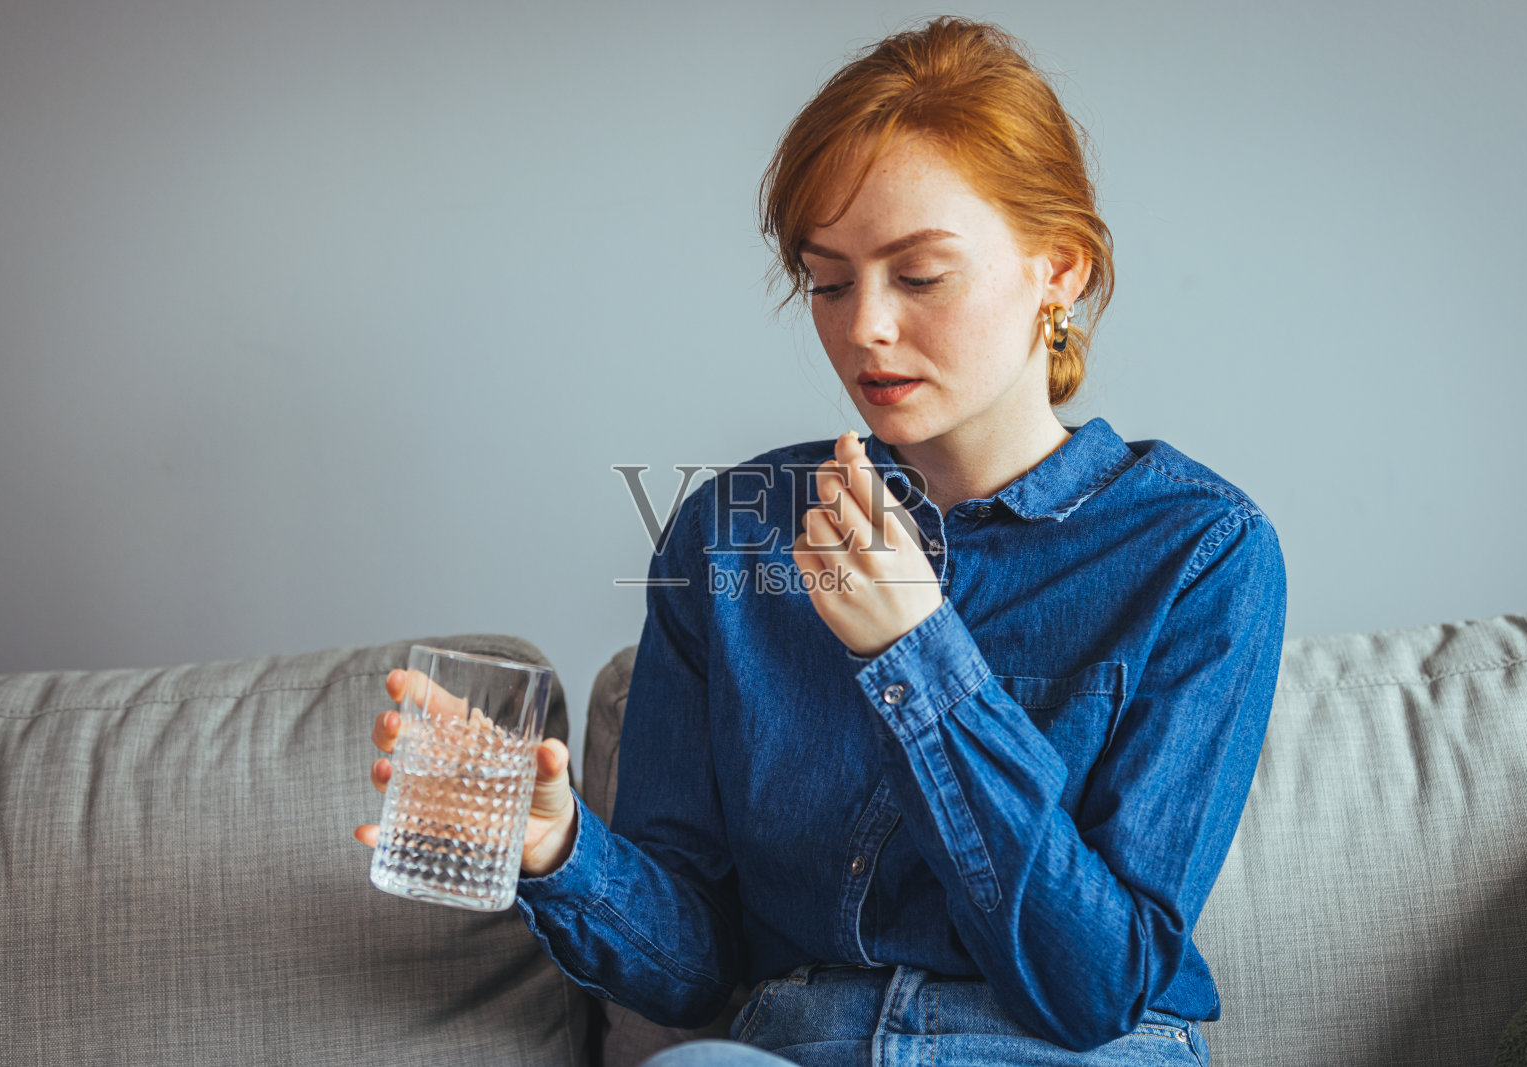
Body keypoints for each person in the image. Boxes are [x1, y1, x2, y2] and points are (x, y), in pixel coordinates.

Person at [357, 16, 1286, 1066]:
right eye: (829, 281)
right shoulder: (731, 535)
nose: (863, 327)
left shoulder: (1201, 551)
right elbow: (695, 972)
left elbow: (1098, 985)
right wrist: (559, 847)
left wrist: (917, 656)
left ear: (1059, 270)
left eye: (919, 275)